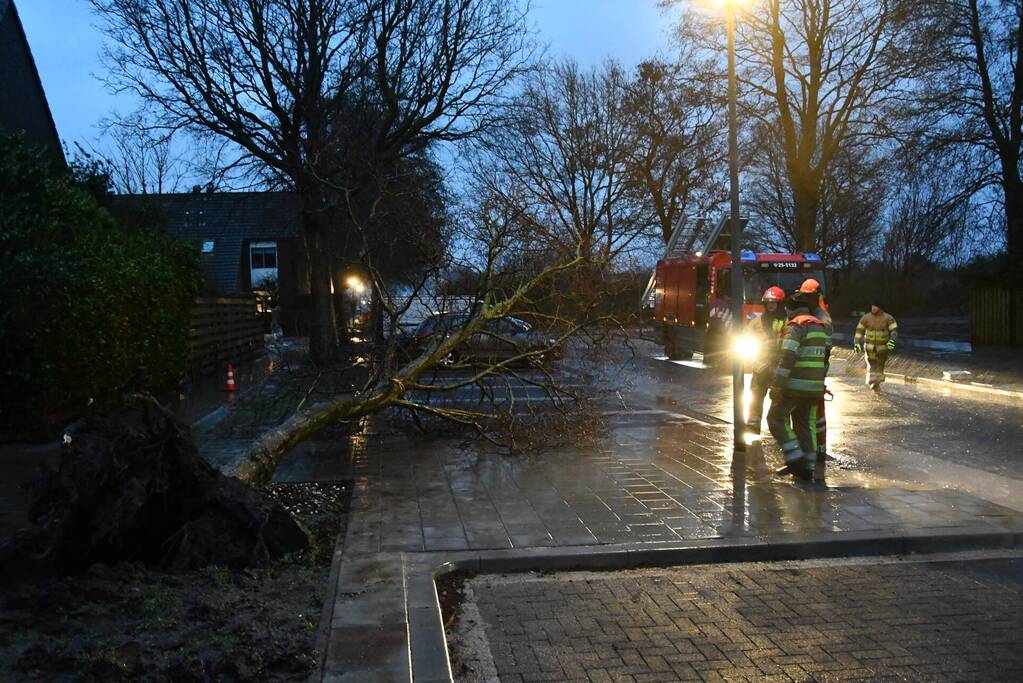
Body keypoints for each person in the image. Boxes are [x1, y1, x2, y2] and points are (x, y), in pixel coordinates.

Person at [767, 290, 829, 480]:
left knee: (775, 419)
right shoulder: (821, 327)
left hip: (794, 387)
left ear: (791, 309)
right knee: (804, 425)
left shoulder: (796, 326)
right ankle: (808, 469)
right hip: (814, 389)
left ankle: (795, 459)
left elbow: (787, 358)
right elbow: (826, 360)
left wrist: (776, 386)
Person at [798, 278, 832, 462]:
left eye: (807, 295)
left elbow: (824, 350)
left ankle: (818, 449)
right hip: (813, 370)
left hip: (815, 371)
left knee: (815, 413)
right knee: (812, 413)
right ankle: (814, 448)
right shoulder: (813, 314)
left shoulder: (822, 317)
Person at [745, 286, 786, 435]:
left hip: (780, 366)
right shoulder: (756, 322)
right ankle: (753, 423)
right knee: (756, 394)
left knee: (780, 397)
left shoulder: (788, 321)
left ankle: (780, 426)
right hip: (760, 365)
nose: (770, 305)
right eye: (768, 302)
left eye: (774, 302)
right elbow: (746, 337)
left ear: (780, 303)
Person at [854, 304, 899, 391]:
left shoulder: (888, 318)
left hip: (882, 348)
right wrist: (857, 343)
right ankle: (873, 381)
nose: (873, 308)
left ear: (880, 307)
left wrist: (892, 340)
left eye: (876, 306)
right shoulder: (866, 318)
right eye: (872, 306)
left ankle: (876, 382)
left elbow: (894, 330)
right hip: (870, 348)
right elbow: (859, 330)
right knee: (871, 364)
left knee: (880, 366)